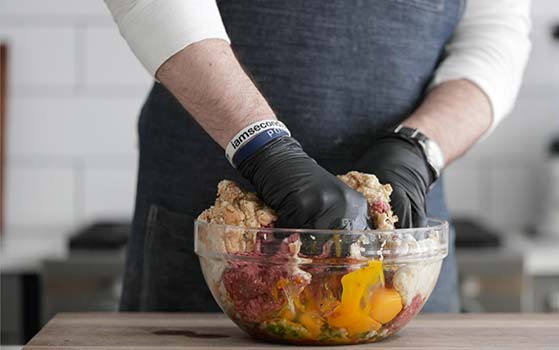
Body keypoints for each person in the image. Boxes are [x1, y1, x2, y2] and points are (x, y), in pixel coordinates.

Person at [104, 0, 531, 312]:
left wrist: (418, 150)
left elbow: (497, 33)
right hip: (213, 251)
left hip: (399, 248)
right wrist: (260, 146)